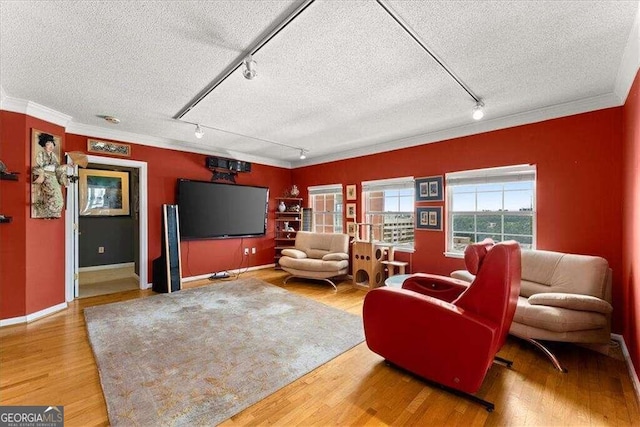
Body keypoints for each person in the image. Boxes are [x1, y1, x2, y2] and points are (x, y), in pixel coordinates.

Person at [32, 133, 70, 218]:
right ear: (43, 145)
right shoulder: (40, 154)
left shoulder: (54, 156)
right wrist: (47, 169)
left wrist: (65, 166)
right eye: (48, 144)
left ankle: (55, 213)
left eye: (52, 144)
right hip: (47, 178)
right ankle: (48, 211)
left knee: (59, 198)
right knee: (51, 196)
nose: (51, 146)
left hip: (54, 178)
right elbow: (39, 167)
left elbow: (57, 169)